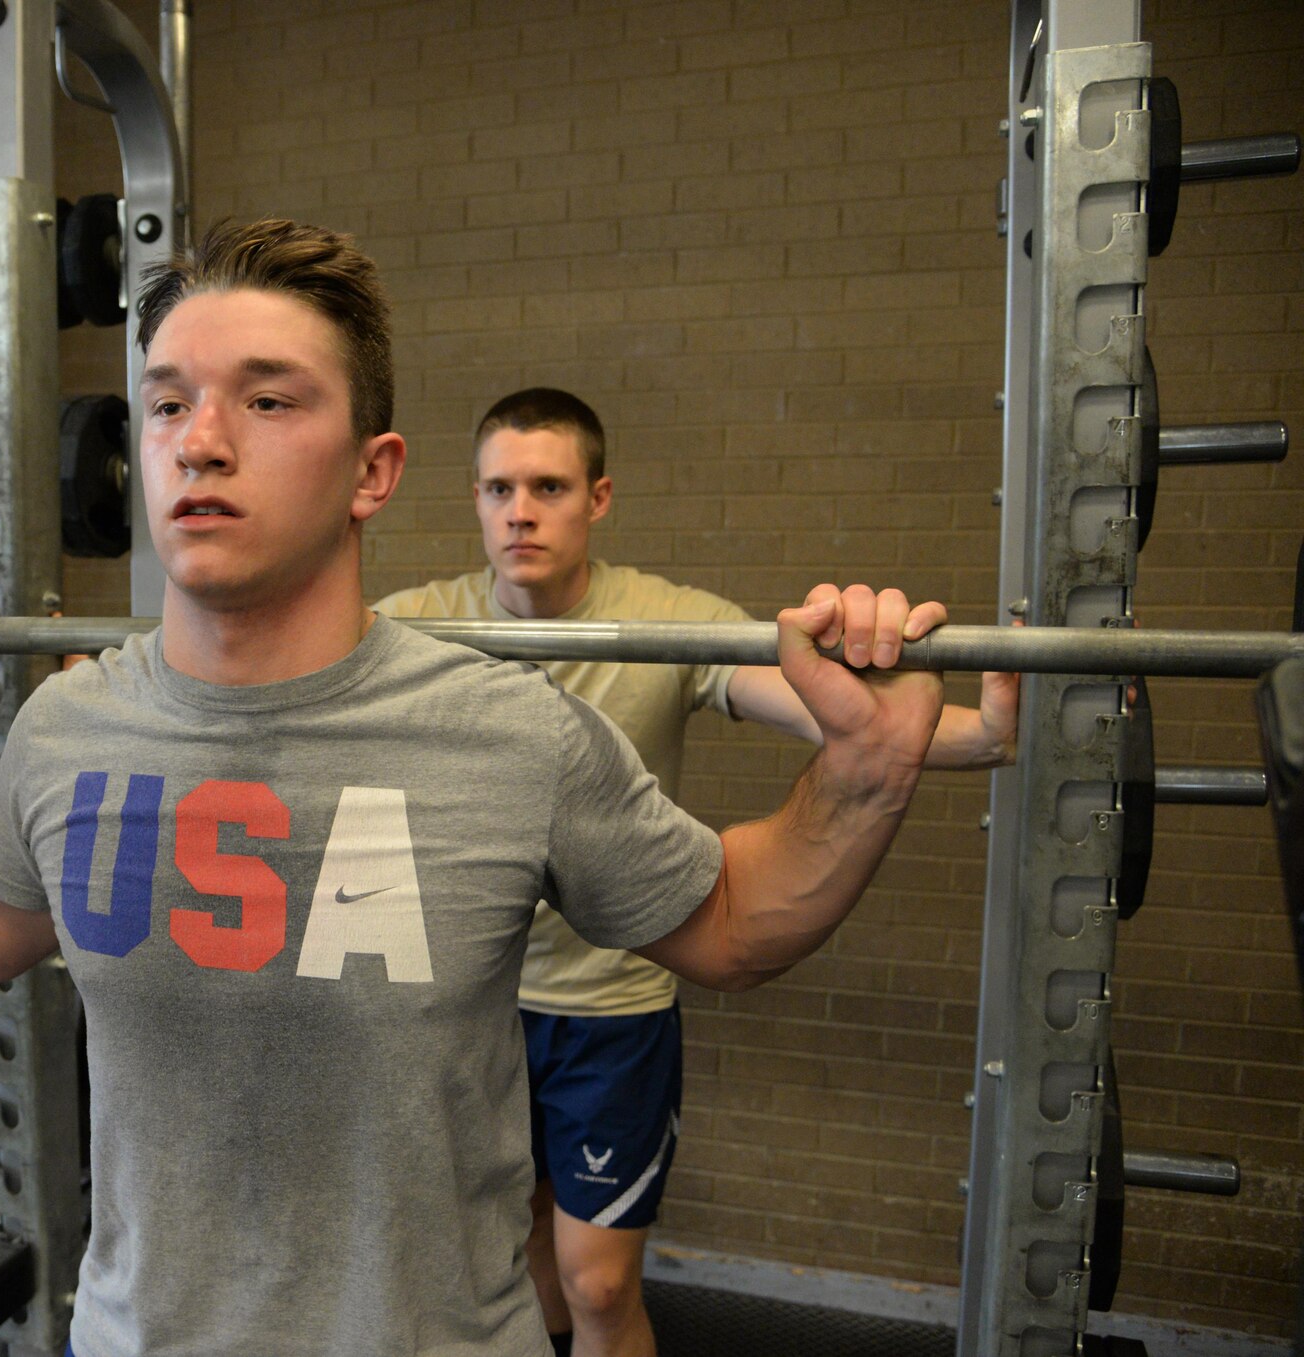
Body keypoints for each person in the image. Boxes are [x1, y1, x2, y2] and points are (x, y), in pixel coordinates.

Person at [0, 219, 956, 1357]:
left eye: (268, 401)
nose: (199, 441)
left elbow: (729, 925)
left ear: (374, 472)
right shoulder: (68, 728)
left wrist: (862, 772)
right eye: (167, 403)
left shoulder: (510, 733)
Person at [376, 389, 1018, 1357]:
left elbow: (836, 718)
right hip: (465, 1006)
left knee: (596, 1284)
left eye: (546, 485)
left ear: (596, 498)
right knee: (504, 1270)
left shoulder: (668, 619)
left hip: (607, 1011)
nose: (520, 510)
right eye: (499, 487)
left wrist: (987, 736)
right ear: (472, 498)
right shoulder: (411, 627)